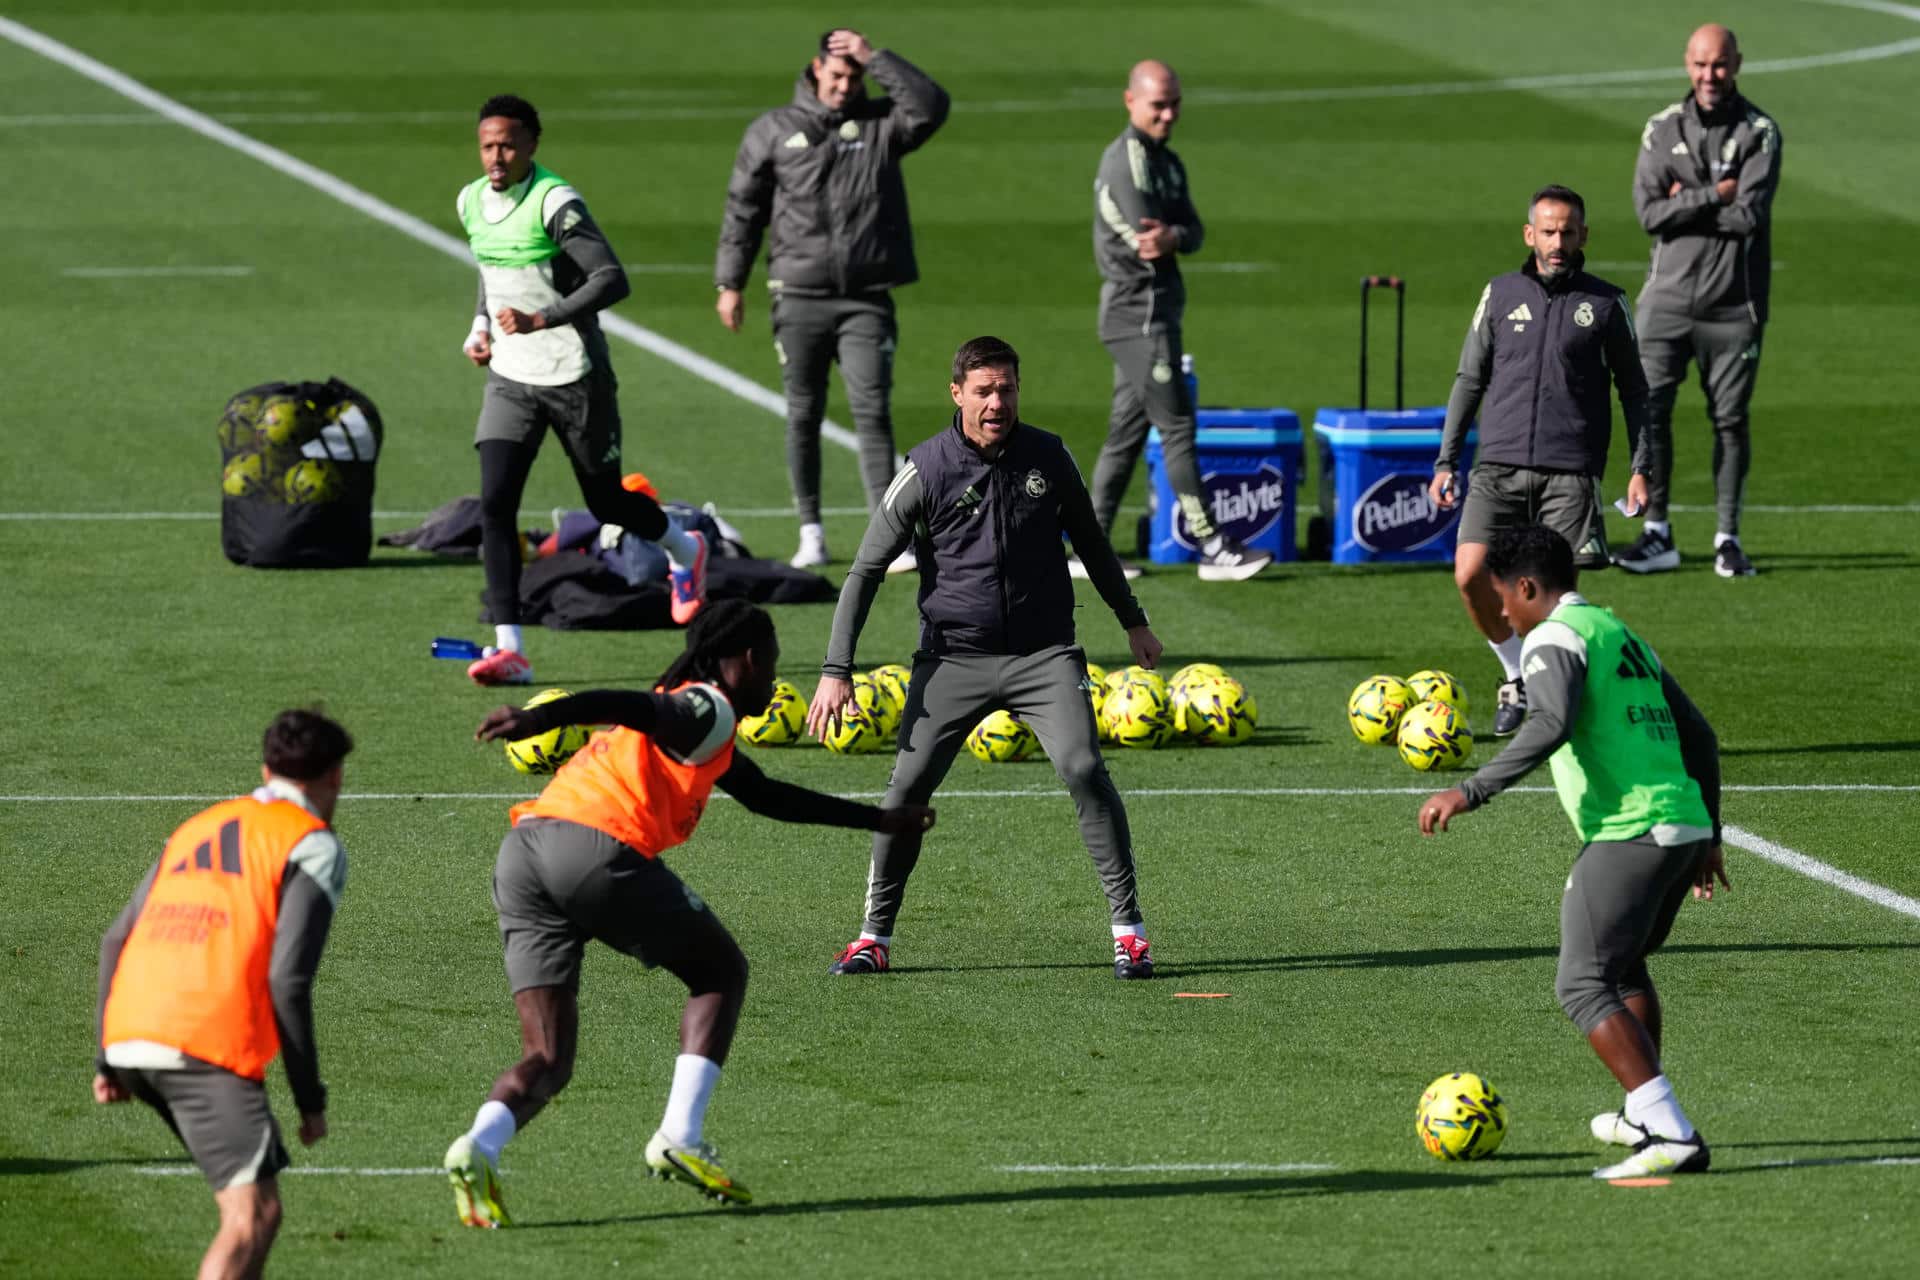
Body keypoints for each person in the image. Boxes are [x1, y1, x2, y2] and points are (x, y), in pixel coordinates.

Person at [443, 601, 934, 1221]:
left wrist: (880, 819)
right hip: (590, 849)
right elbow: (629, 704)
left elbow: (764, 796)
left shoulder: (703, 728)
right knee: (720, 971)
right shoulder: (708, 704)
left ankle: (478, 1145)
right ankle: (679, 1136)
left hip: (523, 855)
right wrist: (538, 715)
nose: (773, 680)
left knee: (548, 1058)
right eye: (771, 665)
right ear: (748, 660)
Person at [804, 336, 1165, 980]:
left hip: (1043, 656)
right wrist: (836, 671)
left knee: (1084, 765)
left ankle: (1129, 932)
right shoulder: (925, 469)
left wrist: (1133, 622)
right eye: (984, 390)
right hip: (953, 661)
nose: (998, 402)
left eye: (1007, 388)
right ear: (958, 394)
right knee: (906, 789)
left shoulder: (1048, 457)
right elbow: (864, 571)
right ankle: (872, 937)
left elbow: (1092, 544)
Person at [1418, 524, 1726, 1181]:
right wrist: (1712, 832)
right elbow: (1701, 733)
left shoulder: (1552, 638)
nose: (1503, 613)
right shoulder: (1615, 631)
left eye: (1504, 599)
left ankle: (1671, 1132)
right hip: (1681, 828)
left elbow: (1551, 723)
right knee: (1622, 967)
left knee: (1581, 983)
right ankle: (1644, 1115)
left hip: (1630, 832)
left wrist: (1471, 791)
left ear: (1528, 588)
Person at [94, 710, 353, 1280]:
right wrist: (310, 1099)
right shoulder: (313, 846)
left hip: (131, 1031)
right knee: (252, 1217)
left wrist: (106, 1058)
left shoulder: (198, 825)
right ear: (335, 776)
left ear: (266, 769)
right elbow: (288, 981)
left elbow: (116, 941)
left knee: (254, 1209)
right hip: (203, 1044)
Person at [459, 93, 707, 686]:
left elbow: (611, 278)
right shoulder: (471, 200)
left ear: (532, 145)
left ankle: (684, 548)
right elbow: (493, 270)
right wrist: (481, 325)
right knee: (495, 503)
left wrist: (543, 319)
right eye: (488, 144)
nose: (497, 155)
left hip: (574, 375)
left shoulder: (555, 202)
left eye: (509, 144)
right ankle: (510, 647)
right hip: (511, 379)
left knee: (604, 502)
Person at [715, 29, 949, 571]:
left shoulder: (883, 125)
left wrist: (876, 57)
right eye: (837, 74)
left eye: (854, 76)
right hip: (797, 295)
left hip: (866, 299)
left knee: (873, 413)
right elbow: (742, 211)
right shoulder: (772, 131)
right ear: (816, 70)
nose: (845, 86)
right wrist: (730, 283)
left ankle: (888, 537)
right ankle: (811, 531)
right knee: (803, 413)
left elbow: (932, 105)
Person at [1429, 184, 1654, 738]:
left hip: (1569, 473)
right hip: (1498, 467)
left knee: (1558, 606)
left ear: (1583, 236)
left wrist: (1641, 466)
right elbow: (1469, 378)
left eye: (1567, 232)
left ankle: (1564, 706)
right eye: (1547, 231)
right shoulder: (1500, 294)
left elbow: (1636, 391)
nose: (1557, 242)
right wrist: (1446, 461)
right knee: (1469, 574)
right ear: (1529, 234)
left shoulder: (1605, 303)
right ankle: (1515, 676)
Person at [1086, 59, 1272, 582]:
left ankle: (1084, 548)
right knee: (1178, 427)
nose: (1168, 115)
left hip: (1150, 311)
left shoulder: (1166, 161)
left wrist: (1175, 235)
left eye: (1174, 104)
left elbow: (1192, 230)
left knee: (1124, 433)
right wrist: (1171, 236)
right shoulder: (1128, 162)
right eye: (1157, 105)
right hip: (1140, 315)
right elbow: (1153, 240)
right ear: (1131, 101)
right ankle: (1213, 547)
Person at [1613, 24, 1782, 579]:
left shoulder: (1760, 131)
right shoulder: (1661, 129)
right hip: (1665, 302)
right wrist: (1717, 193)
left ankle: (1727, 538)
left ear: (1737, 64)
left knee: (1729, 422)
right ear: (1688, 64)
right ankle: (1656, 531)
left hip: (1734, 307)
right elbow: (1648, 214)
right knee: (1650, 414)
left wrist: (1686, 200)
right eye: (1701, 65)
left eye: (1721, 65)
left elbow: (1748, 217)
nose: (1711, 76)